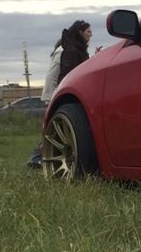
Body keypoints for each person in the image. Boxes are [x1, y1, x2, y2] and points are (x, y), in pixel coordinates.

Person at [27, 20, 93, 168]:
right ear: (80, 32)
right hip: (56, 93)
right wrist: (54, 96)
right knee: (56, 127)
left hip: (61, 92)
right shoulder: (66, 50)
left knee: (59, 128)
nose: (91, 34)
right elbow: (56, 75)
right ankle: (36, 157)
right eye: (88, 31)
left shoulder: (77, 49)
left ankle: (44, 157)